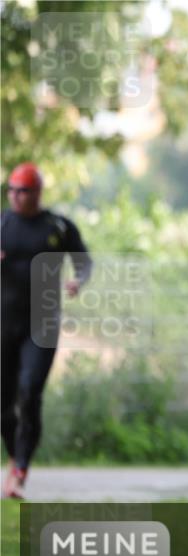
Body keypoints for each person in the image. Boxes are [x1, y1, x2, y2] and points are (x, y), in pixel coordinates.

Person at [1, 163, 91, 499]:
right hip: (3, 325)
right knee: (3, 404)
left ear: (37, 193)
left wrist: (77, 281)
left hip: (42, 323)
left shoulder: (58, 227)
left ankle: (21, 470)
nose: (16, 196)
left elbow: (83, 261)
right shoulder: (2, 224)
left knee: (30, 391)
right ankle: (14, 454)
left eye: (23, 191)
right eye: (12, 189)